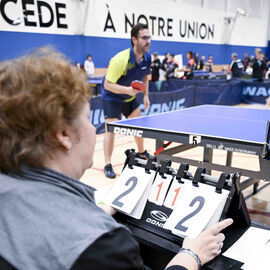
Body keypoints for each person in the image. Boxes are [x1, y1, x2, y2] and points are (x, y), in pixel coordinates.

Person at [0, 47, 234, 270]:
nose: (93, 129)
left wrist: (101, 211)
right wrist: (191, 254)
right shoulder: (105, 246)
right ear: (64, 135)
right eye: (88, 119)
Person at [101, 23, 151, 178]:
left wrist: (145, 95)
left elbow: (145, 77)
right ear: (134, 40)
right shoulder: (120, 60)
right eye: (144, 38)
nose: (148, 41)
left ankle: (141, 152)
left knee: (139, 124)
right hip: (112, 96)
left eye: (149, 37)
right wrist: (127, 90)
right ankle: (107, 164)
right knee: (111, 127)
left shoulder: (147, 58)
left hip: (129, 97)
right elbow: (107, 84)